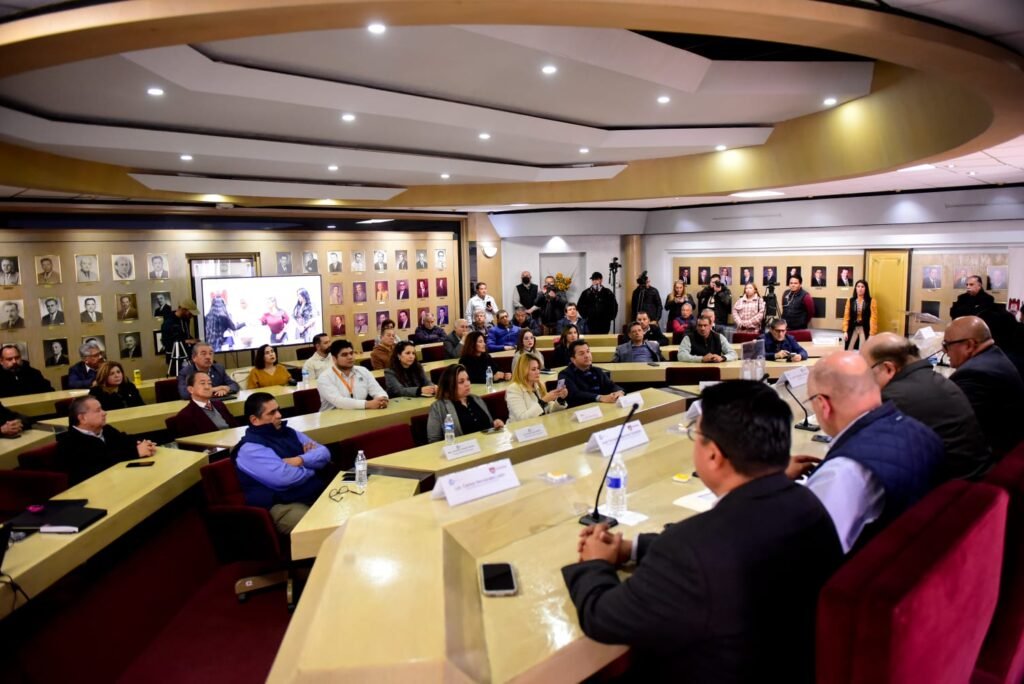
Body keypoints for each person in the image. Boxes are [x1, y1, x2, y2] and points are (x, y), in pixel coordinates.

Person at [563, 381, 842, 683]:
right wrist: (632, 549)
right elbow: (727, 547)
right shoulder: (808, 504)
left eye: (696, 435)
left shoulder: (692, 550)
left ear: (713, 455)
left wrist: (595, 563)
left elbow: (602, 617)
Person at [788, 352, 943, 553]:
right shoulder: (921, 431)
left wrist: (772, 485)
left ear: (823, 404)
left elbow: (800, 549)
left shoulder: (844, 471)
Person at [862, 333, 992, 481]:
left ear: (888, 369)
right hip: (972, 481)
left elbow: (865, 457)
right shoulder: (937, 380)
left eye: (865, 371)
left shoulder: (893, 399)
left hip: (948, 488)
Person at [234, 393, 330, 534]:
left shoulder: (289, 432)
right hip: (282, 504)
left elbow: (324, 453)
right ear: (254, 420)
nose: (279, 415)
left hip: (311, 492)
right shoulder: (249, 448)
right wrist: (313, 465)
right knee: (320, 526)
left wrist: (300, 460)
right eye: (272, 413)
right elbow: (285, 478)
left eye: (278, 410)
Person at [944, 316, 1024, 459]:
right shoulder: (993, 357)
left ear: (969, 345)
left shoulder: (975, 374)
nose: (944, 351)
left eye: (947, 344)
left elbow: (953, 424)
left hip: (990, 458)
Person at [58, 396, 157, 485]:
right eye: (98, 410)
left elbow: (124, 440)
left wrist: (143, 444)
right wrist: (135, 452)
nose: (104, 413)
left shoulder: (106, 429)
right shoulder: (69, 442)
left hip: (117, 481)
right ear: (83, 418)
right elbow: (99, 464)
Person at [426, 364, 503, 442]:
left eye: (468, 379)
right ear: (449, 385)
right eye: (461, 382)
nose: (467, 384)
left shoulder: (476, 399)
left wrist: (495, 424)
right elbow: (434, 440)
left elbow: (489, 425)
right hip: (461, 448)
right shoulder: (438, 407)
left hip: (486, 444)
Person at [317, 339, 389, 411]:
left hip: (360, 413)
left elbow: (378, 390)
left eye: (351, 353)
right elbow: (338, 401)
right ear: (334, 358)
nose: (350, 357)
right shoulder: (325, 377)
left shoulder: (363, 371)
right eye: (344, 355)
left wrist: (382, 399)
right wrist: (367, 404)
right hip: (332, 415)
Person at [558, 340, 624, 407]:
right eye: (581, 353)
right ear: (573, 359)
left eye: (588, 351)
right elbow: (576, 394)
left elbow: (611, 385)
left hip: (601, 408)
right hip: (580, 410)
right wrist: (600, 397)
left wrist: (619, 392)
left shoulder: (597, 371)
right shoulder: (565, 374)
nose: (587, 355)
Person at [174, 370, 238, 437]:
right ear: (191, 389)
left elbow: (235, 427)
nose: (207, 387)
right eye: (202, 383)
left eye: (209, 383)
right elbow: (191, 441)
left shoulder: (219, 405)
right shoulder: (185, 415)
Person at [506, 355, 567, 422]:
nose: (538, 372)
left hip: (540, 424)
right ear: (523, 371)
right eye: (533, 369)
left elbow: (550, 410)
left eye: (538, 368)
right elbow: (522, 419)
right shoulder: (514, 389)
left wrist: (560, 399)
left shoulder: (539, 384)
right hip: (522, 427)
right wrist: (543, 401)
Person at [842, 279, 878, 350]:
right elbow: (846, 317)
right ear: (855, 288)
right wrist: (845, 331)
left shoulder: (871, 301)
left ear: (866, 288)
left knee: (863, 349)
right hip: (853, 327)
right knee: (848, 348)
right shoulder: (850, 300)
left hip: (864, 328)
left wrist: (872, 334)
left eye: (862, 287)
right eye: (858, 286)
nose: (860, 289)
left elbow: (873, 318)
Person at [161, 298, 198, 363]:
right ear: (183, 309)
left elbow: (184, 335)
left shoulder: (186, 320)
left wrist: (193, 340)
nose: (192, 316)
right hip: (175, 358)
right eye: (190, 313)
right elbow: (166, 342)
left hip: (186, 355)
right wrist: (187, 341)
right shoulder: (168, 322)